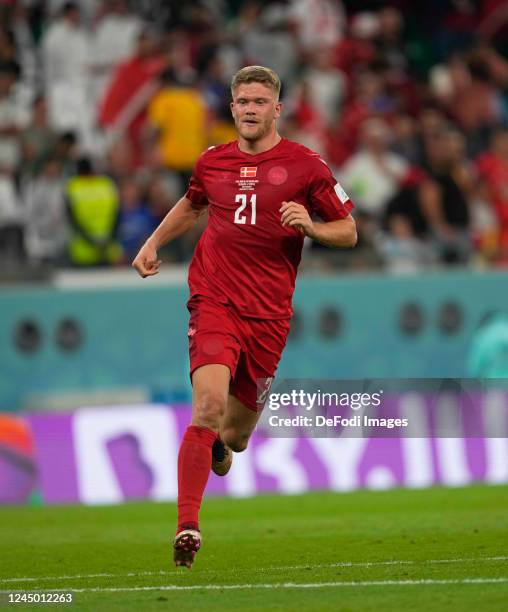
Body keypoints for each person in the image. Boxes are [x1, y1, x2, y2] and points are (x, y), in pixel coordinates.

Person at [132, 65, 357, 568]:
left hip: (269, 317)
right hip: (214, 300)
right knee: (206, 408)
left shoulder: (307, 166)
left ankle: (218, 447)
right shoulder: (212, 162)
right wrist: (152, 241)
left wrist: (313, 228)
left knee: (233, 435)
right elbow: (193, 207)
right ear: (232, 108)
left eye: (261, 102)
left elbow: (349, 230)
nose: (251, 109)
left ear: (277, 109)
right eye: (243, 102)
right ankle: (187, 526)